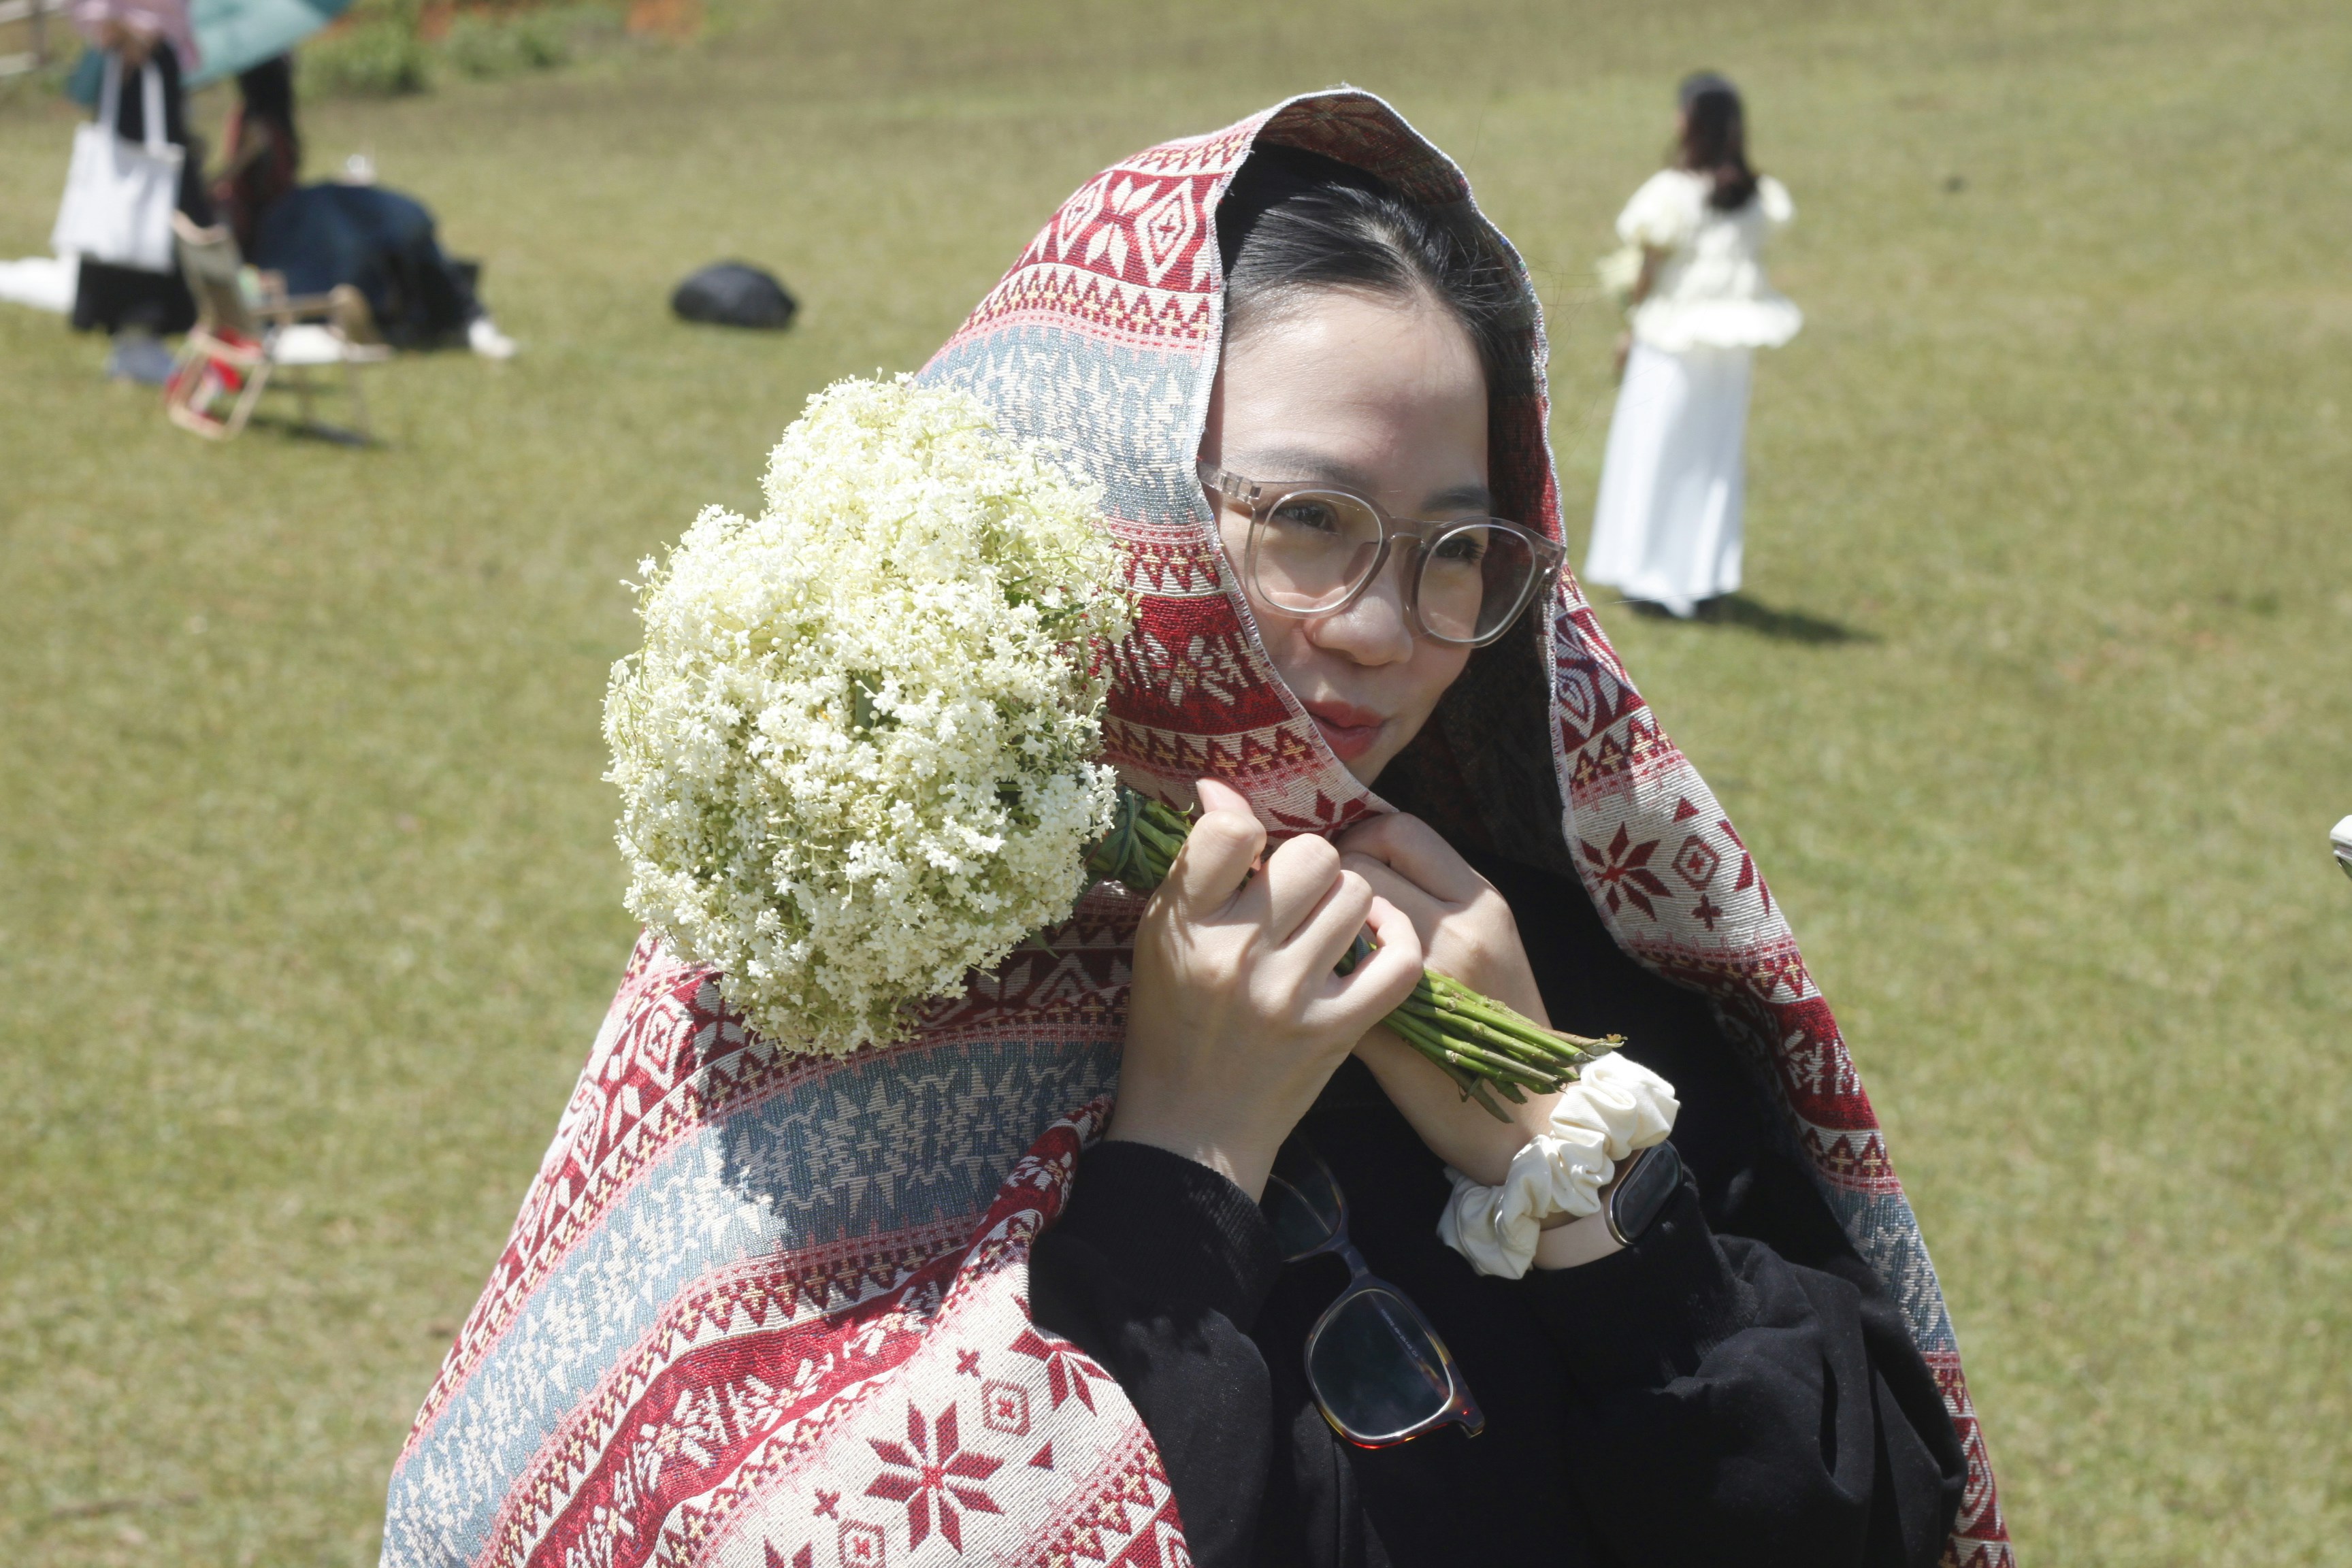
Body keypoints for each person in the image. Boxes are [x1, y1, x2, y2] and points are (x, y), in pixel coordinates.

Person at [377, 92, 2011, 1568]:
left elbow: (1845, 1517)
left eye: (1459, 549)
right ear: (1097, 488)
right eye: (1305, 520)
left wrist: (1558, 1167)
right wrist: (1183, 1163)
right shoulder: (858, 967)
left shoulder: (1522, 944)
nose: (1389, 625)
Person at [1584, 72, 1802, 619]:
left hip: (1671, 342)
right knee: (1712, 457)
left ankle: (1649, 575)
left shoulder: (1671, 194)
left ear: (1688, 122)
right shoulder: (1756, 196)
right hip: (1731, 348)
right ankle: (1701, 576)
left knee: (1655, 454)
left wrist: (1629, 323)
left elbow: (1648, 271)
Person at [212, 54, 517, 358]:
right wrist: (247, 154)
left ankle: (457, 314)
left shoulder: (266, 118)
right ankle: (463, 316)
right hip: (279, 236)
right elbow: (235, 191)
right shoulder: (250, 123)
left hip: (295, 218)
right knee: (389, 222)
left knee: (392, 218)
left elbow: (281, 184)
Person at [67, 0, 212, 380]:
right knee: (144, 201)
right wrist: (119, 27)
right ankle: (136, 332)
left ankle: (144, 333)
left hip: (157, 54)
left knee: (164, 197)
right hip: (135, 55)